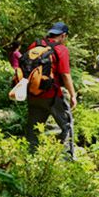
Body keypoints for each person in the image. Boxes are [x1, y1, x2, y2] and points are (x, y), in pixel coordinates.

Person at [25, 22, 77, 158]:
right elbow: (65, 75)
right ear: (63, 35)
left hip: (33, 94)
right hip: (52, 96)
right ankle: (66, 160)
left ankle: (30, 159)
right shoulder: (61, 49)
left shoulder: (34, 45)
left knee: (33, 129)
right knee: (66, 126)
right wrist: (73, 95)